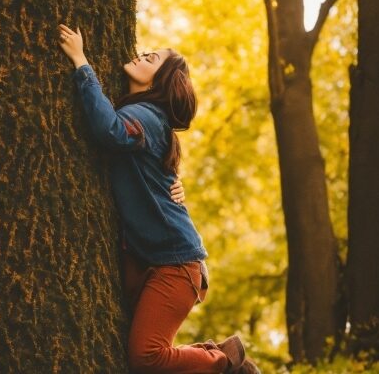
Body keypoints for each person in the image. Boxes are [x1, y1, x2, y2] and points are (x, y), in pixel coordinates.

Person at [58, 24, 259, 374]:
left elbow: (110, 131)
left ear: (160, 81)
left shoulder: (147, 117)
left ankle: (225, 364)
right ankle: (217, 352)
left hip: (174, 264)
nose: (140, 56)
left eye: (151, 58)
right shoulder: (151, 119)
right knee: (145, 348)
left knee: (147, 357)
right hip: (159, 258)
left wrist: (81, 63)